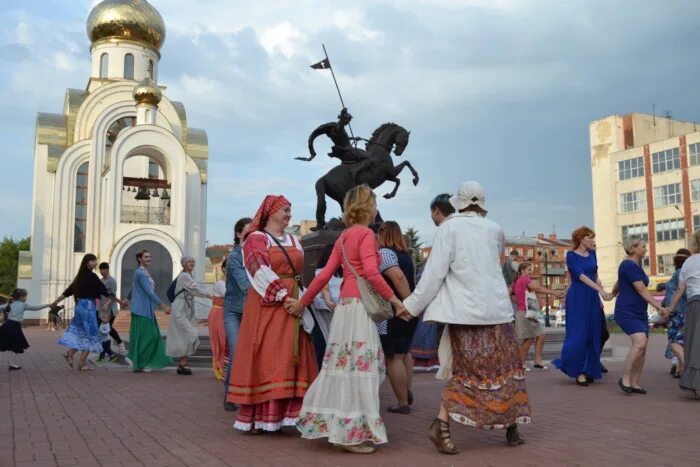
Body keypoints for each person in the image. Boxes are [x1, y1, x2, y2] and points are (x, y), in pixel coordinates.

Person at [398, 181, 531, 455]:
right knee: (506, 370)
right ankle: (511, 427)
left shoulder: (449, 228)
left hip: (466, 313)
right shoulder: (495, 229)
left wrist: (411, 305)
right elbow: (491, 268)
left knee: (465, 372)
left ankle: (442, 425)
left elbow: (434, 273)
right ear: (482, 202)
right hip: (497, 311)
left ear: (458, 201)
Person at [290, 185, 405, 454]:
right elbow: (372, 273)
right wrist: (396, 301)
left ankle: (342, 429)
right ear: (367, 206)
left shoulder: (343, 237)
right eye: (374, 203)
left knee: (343, 368)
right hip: (359, 310)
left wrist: (302, 303)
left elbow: (323, 275)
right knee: (364, 368)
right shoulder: (365, 234)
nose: (376, 208)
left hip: (344, 309)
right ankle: (349, 434)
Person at [226, 196, 318, 433]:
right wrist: (283, 296)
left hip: (293, 303)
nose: (289, 214)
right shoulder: (256, 238)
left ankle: (287, 416)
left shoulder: (294, 240)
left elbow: (300, 274)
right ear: (272, 212)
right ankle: (259, 417)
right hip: (269, 303)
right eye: (285, 210)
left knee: (290, 356)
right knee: (268, 357)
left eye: (290, 210)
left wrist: (304, 300)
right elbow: (258, 269)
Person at [552, 227, 612, 386]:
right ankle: (577, 371)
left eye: (593, 238)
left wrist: (602, 288)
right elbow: (580, 276)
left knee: (593, 333)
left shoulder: (593, 254)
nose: (593, 241)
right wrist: (599, 289)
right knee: (578, 334)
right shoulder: (571, 256)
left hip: (591, 297)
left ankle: (588, 369)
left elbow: (594, 275)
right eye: (590, 237)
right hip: (578, 297)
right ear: (581, 239)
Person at [52, 254, 126, 371]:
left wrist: (55, 302)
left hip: (79, 306)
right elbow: (106, 292)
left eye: (95, 261)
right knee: (92, 334)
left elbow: (67, 292)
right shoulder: (92, 277)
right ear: (87, 262)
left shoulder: (79, 277)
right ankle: (81, 363)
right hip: (88, 307)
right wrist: (120, 301)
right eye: (93, 261)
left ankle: (70, 353)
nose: (95, 263)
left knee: (84, 334)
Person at [613, 238, 668, 394]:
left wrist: (611, 293)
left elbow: (619, 282)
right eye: (643, 247)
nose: (645, 249)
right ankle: (625, 378)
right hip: (627, 311)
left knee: (642, 348)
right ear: (633, 248)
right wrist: (658, 306)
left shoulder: (634, 266)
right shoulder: (629, 265)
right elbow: (642, 289)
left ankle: (635, 382)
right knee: (640, 343)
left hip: (640, 312)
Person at [377, 220, 418, 413]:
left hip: (395, 312)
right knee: (405, 353)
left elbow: (398, 278)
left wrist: (405, 304)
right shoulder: (405, 255)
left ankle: (402, 402)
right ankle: (407, 391)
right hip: (409, 310)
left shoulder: (385, 253)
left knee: (393, 356)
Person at [411, 193, 454, 371]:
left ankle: (427, 359)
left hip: (443, 295)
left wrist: (415, 302)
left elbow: (434, 272)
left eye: (431, 212)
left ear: (437, 211)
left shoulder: (446, 229)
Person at [223, 216, 252, 412]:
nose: (251, 236)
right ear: (239, 233)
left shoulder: (257, 253)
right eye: (247, 233)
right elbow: (245, 285)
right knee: (236, 350)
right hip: (233, 311)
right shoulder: (235, 256)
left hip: (251, 310)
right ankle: (229, 394)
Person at [667, 230, 700, 397]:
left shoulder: (689, 262)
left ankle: (695, 383)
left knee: (694, 345)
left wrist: (670, 307)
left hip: (694, 305)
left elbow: (680, 290)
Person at [511, 262, 562, 369]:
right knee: (528, 339)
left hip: (527, 312)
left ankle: (537, 361)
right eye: (529, 269)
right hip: (525, 313)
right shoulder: (524, 279)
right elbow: (538, 288)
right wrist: (554, 292)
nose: (531, 271)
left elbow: (509, 294)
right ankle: (520, 364)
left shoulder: (515, 282)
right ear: (522, 271)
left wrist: (519, 302)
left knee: (541, 334)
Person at [167, 256, 213, 375]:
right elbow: (195, 288)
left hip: (188, 311)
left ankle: (183, 364)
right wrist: (209, 295)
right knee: (191, 334)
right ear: (183, 264)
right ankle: (183, 363)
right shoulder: (184, 276)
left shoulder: (189, 276)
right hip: (179, 310)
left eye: (193, 261)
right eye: (189, 261)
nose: (192, 263)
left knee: (185, 337)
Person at [128, 249, 172, 372]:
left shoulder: (144, 272)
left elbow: (133, 287)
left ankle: (139, 362)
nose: (149, 259)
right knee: (149, 336)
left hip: (146, 309)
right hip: (141, 309)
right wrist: (163, 305)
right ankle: (138, 361)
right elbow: (149, 292)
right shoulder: (140, 273)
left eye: (150, 256)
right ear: (139, 259)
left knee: (147, 337)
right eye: (146, 257)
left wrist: (127, 298)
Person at [0, 289, 53, 370]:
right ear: (21, 297)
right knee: (17, 345)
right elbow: (36, 308)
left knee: (3, 342)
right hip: (15, 327)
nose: (26, 298)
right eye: (25, 296)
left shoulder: (10, 304)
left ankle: (12, 364)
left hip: (6, 325)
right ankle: (12, 364)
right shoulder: (23, 305)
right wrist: (48, 305)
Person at [309, 243, 341, 368]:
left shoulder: (325, 271)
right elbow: (324, 287)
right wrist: (327, 301)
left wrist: (328, 301)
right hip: (333, 310)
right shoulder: (323, 271)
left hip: (333, 310)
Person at [663, 249, 690, 378]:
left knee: (674, 342)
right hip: (683, 312)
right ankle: (680, 369)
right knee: (682, 342)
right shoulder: (680, 274)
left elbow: (680, 292)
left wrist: (669, 309)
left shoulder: (680, 274)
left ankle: (686, 365)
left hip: (678, 313)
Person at [98, 262, 125, 353]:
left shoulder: (112, 281)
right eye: (100, 270)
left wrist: (107, 304)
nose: (101, 271)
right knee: (103, 330)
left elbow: (112, 295)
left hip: (111, 309)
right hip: (102, 310)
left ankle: (120, 344)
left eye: (103, 269)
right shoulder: (101, 281)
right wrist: (120, 302)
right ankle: (105, 351)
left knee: (108, 328)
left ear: (107, 270)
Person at [208, 265, 227, 381]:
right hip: (218, 313)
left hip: (227, 313)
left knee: (226, 342)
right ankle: (219, 368)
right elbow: (228, 295)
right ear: (224, 269)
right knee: (220, 342)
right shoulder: (221, 283)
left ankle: (224, 367)